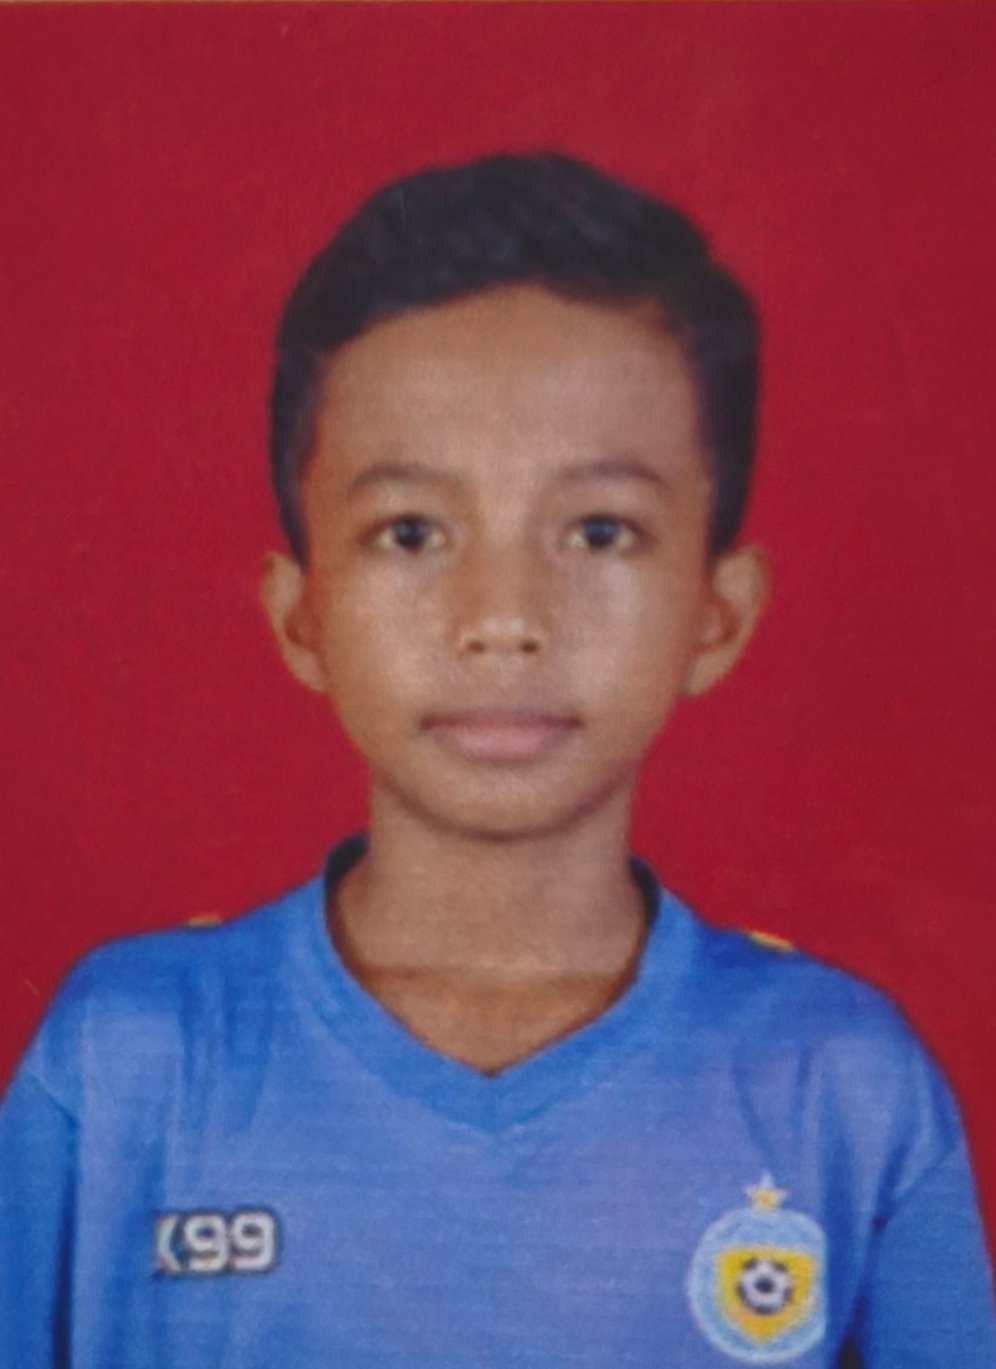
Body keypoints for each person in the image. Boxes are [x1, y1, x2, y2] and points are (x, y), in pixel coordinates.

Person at [0, 152, 991, 1368]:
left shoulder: (841, 1086)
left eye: (600, 531)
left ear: (717, 613)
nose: (504, 617)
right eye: (411, 531)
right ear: (301, 613)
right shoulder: (129, 1061)